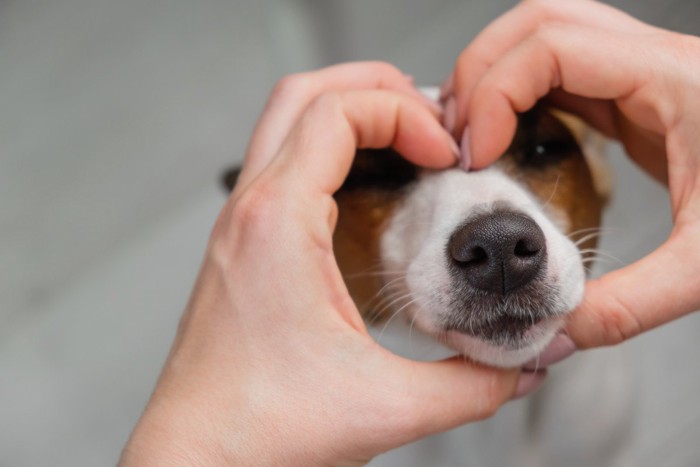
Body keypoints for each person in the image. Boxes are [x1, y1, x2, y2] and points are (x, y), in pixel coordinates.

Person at [119, 0, 700, 465]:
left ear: (598, 172)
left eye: (544, 149)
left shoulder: (606, 402)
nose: (496, 237)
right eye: (383, 180)